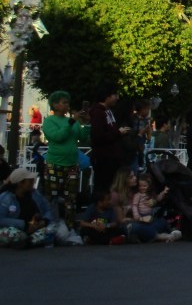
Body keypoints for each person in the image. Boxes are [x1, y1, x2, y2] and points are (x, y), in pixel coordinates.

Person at [41, 91, 89, 230]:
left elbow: (82, 137)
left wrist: (86, 124)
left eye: (68, 102)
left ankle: (69, 226)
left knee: (71, 198)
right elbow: (58, 136)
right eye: (64, 102)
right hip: (54, 163)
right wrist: (71, 121)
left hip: (72, 164)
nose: (67, 105)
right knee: (52, 197)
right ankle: (52, 225)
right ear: (55, 105)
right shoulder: (49, 121)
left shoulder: (72, 121)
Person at [89, 81, 131, 192]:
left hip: (113, 158)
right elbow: (98, 137)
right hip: (104, 159)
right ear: (107, 96)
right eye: (115, 95)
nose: (117, 98)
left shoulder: (109, 111)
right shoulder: (98, 112)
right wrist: (118, 133)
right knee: (103, 189)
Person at [0, 168, 54, 248]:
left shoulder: (35, 194)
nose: (33, 182)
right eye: (30, 181)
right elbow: (1, 219)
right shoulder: (6, 198)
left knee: (54, 229)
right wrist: (24, 225)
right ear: (20, 183)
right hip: (15, 229)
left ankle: (28, 241)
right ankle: (30, 240)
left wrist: (44, 221)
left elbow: (48, 210)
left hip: (35, 227)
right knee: (14, 234)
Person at [131, 173, 180, 242]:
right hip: (141, 216)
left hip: (151, 216)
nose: (142, 188)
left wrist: (163, 192)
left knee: (162, 221)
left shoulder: (150, 194)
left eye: (144, 186)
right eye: (140, 186)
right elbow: (134, 205)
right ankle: (164, 236)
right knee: (145, 227)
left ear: (149, 186)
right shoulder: (138, 195)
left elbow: (157, 198)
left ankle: (171, 232)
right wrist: (137, 216)